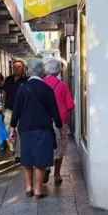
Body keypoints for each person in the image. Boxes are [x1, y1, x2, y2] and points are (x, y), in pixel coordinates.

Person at [10, 59, 62, 199]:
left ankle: (28, 188)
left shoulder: (23, 88)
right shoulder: (47, 89)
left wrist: (13, 126)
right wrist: (59, 124)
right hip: (43, 129)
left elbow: (16, 110)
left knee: (27, 157)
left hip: (25, 128)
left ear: (29, 71)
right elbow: (54, 111)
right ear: (42, 71)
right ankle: (38, 190)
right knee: (40, 160)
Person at [43, 58, 76, 186]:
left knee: (45, 146)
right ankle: (57, 174)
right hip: (60, 122)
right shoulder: (62, 85)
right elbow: (70, 105)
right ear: (58, 71)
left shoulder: (41, 84)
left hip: (44, 122)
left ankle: (46, 168)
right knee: (60, 148)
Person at [3, 59, 28, 161]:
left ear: (23, 69)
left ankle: (18, 154)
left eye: (19, 67)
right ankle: (13, 148)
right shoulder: (8, 79)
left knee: (19, 132)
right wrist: (3, 108)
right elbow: (4, 93)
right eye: (15, 67)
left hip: (21, 111)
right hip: (9, 110)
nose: (16, 69)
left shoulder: (26, 80)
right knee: (8, 131)